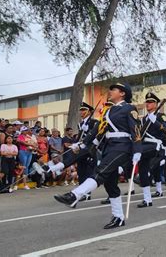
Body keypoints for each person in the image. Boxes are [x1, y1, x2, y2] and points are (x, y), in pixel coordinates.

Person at [54, 82, 142, 229]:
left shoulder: (128, 108)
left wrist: (137, 150)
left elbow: (136, 130)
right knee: (110, 184)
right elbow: (97, 130)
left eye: (114, 89)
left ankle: (75, 195)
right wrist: (81, 143)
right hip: (109, 147)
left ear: (122, 93)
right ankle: (118, 217)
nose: (111, 91)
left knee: (100, 171)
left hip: (122, 147)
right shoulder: (108, 111)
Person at [137, 92, 166, 207]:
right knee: (143, 171)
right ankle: (147, 199)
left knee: (143, 161)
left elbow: (165, 129)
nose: (148, 104)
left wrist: (155, 121)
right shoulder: (144, 119)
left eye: (150, 102)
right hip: (144, 146)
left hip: (154, 146)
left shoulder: (160, 116)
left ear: (156, 104)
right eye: (147, 102)